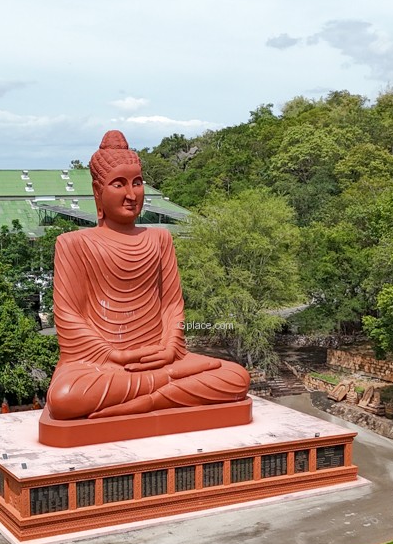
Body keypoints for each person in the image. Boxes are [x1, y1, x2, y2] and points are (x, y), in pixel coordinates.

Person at [45, 131, 250, 420]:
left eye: (138, 183)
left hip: (162, 359)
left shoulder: (159, 238)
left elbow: (172, 305)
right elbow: (68, 316)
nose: (131, 195)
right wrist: (114, 355)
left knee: (236, 377)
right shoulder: (74, 243)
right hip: (102, 365)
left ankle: (150, 401)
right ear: (97, 191)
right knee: (65, 397)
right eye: (119, 184)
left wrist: (170, 349)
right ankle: (168, 386)